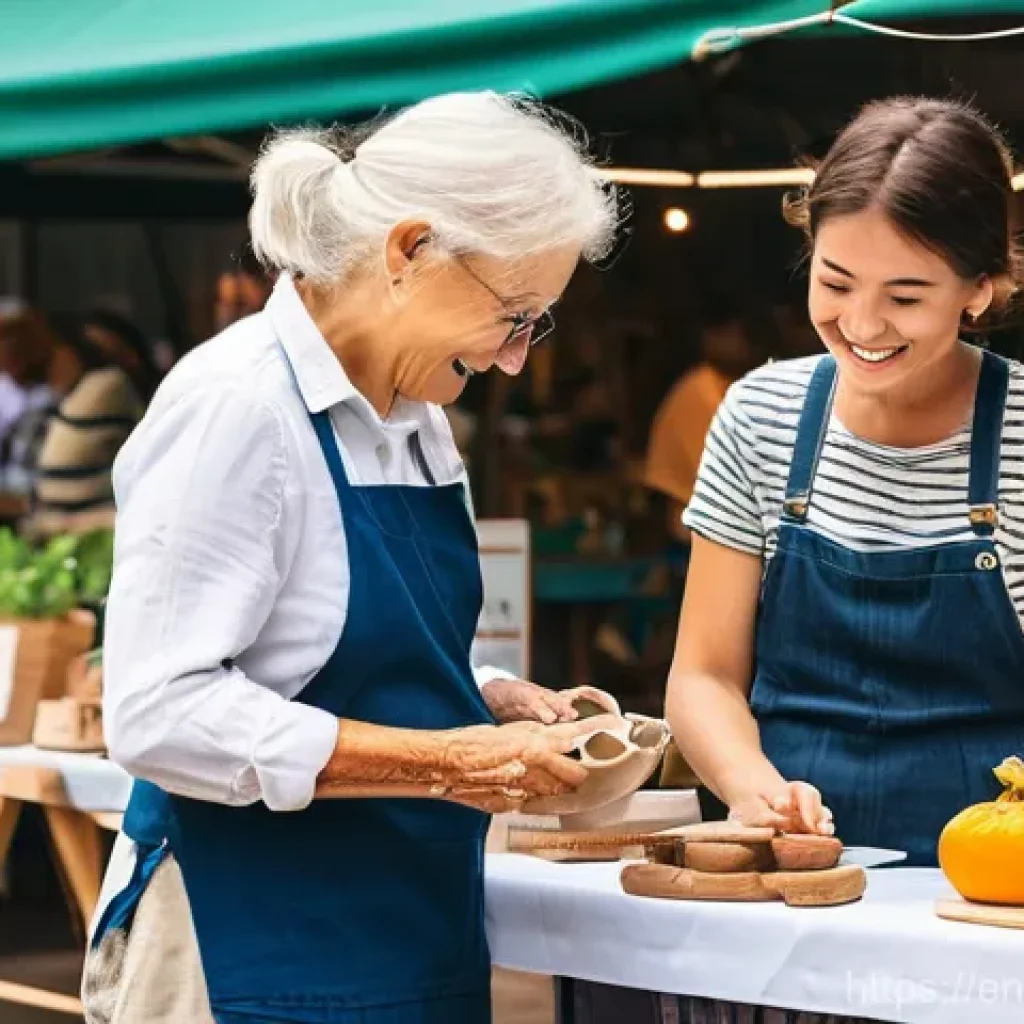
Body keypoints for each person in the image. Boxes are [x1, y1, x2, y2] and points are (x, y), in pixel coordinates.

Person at [82, 91, 623, 1024]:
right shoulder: (237, 407)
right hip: (244, 934)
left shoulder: (417, 417)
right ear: (409, 251)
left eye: (537, 324)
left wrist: (485, 694)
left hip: (407, 925)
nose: (515, 361)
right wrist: (447, 761)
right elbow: (156, 710)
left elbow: (331, 646)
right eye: (515, 316)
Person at [665, 97, 1024, 867]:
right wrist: (755, 792)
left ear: (980, 287)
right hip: (789, 876)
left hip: (991, 882)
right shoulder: (758, 416)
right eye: (835, 283)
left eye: (905, 297)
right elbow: (703, 676)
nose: (862, 326)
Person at [643, 306, 757, 545]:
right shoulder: (700, 389)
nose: (740, 343)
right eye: (730, 334)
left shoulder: (727, 387)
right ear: (710, 338)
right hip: (688, 525)